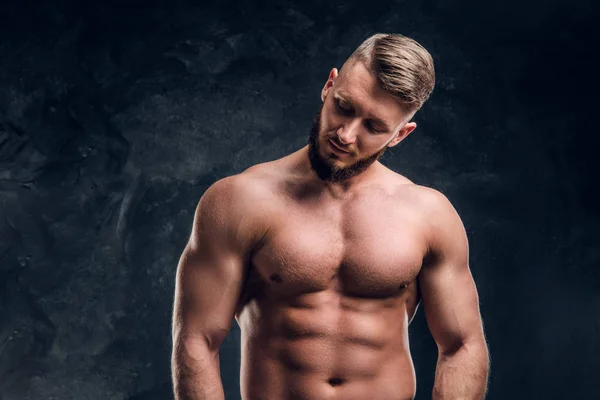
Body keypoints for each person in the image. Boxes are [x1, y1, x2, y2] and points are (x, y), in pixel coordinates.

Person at [171, 33, 490, 400]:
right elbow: (197, 340)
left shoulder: (429, 215)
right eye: (344, 106)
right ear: (329, 85)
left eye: (373, 127)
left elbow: (462, 344)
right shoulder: (240, 201)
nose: (346, 133)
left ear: (400, 135)